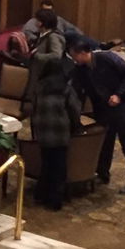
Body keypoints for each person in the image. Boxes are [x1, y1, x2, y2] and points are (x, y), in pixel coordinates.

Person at [72, 40, 125, 195]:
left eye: (75, 56)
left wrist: (118, 95)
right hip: (103, 108)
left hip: (123, 104)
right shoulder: (81, 69)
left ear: (84, 53)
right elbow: (79, 91)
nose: (74, 60)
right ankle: (102, 173)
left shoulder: (107, 58)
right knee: (105, 141)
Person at [29, 43, 82, 209]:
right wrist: (76, 126)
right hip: (60, 132)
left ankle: (40, 195)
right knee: (59, 166)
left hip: (43, 131)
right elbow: (74, 110)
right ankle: (54, 201)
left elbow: (34, 109)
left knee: (46, 163)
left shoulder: (39, 88)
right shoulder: (65, 89)